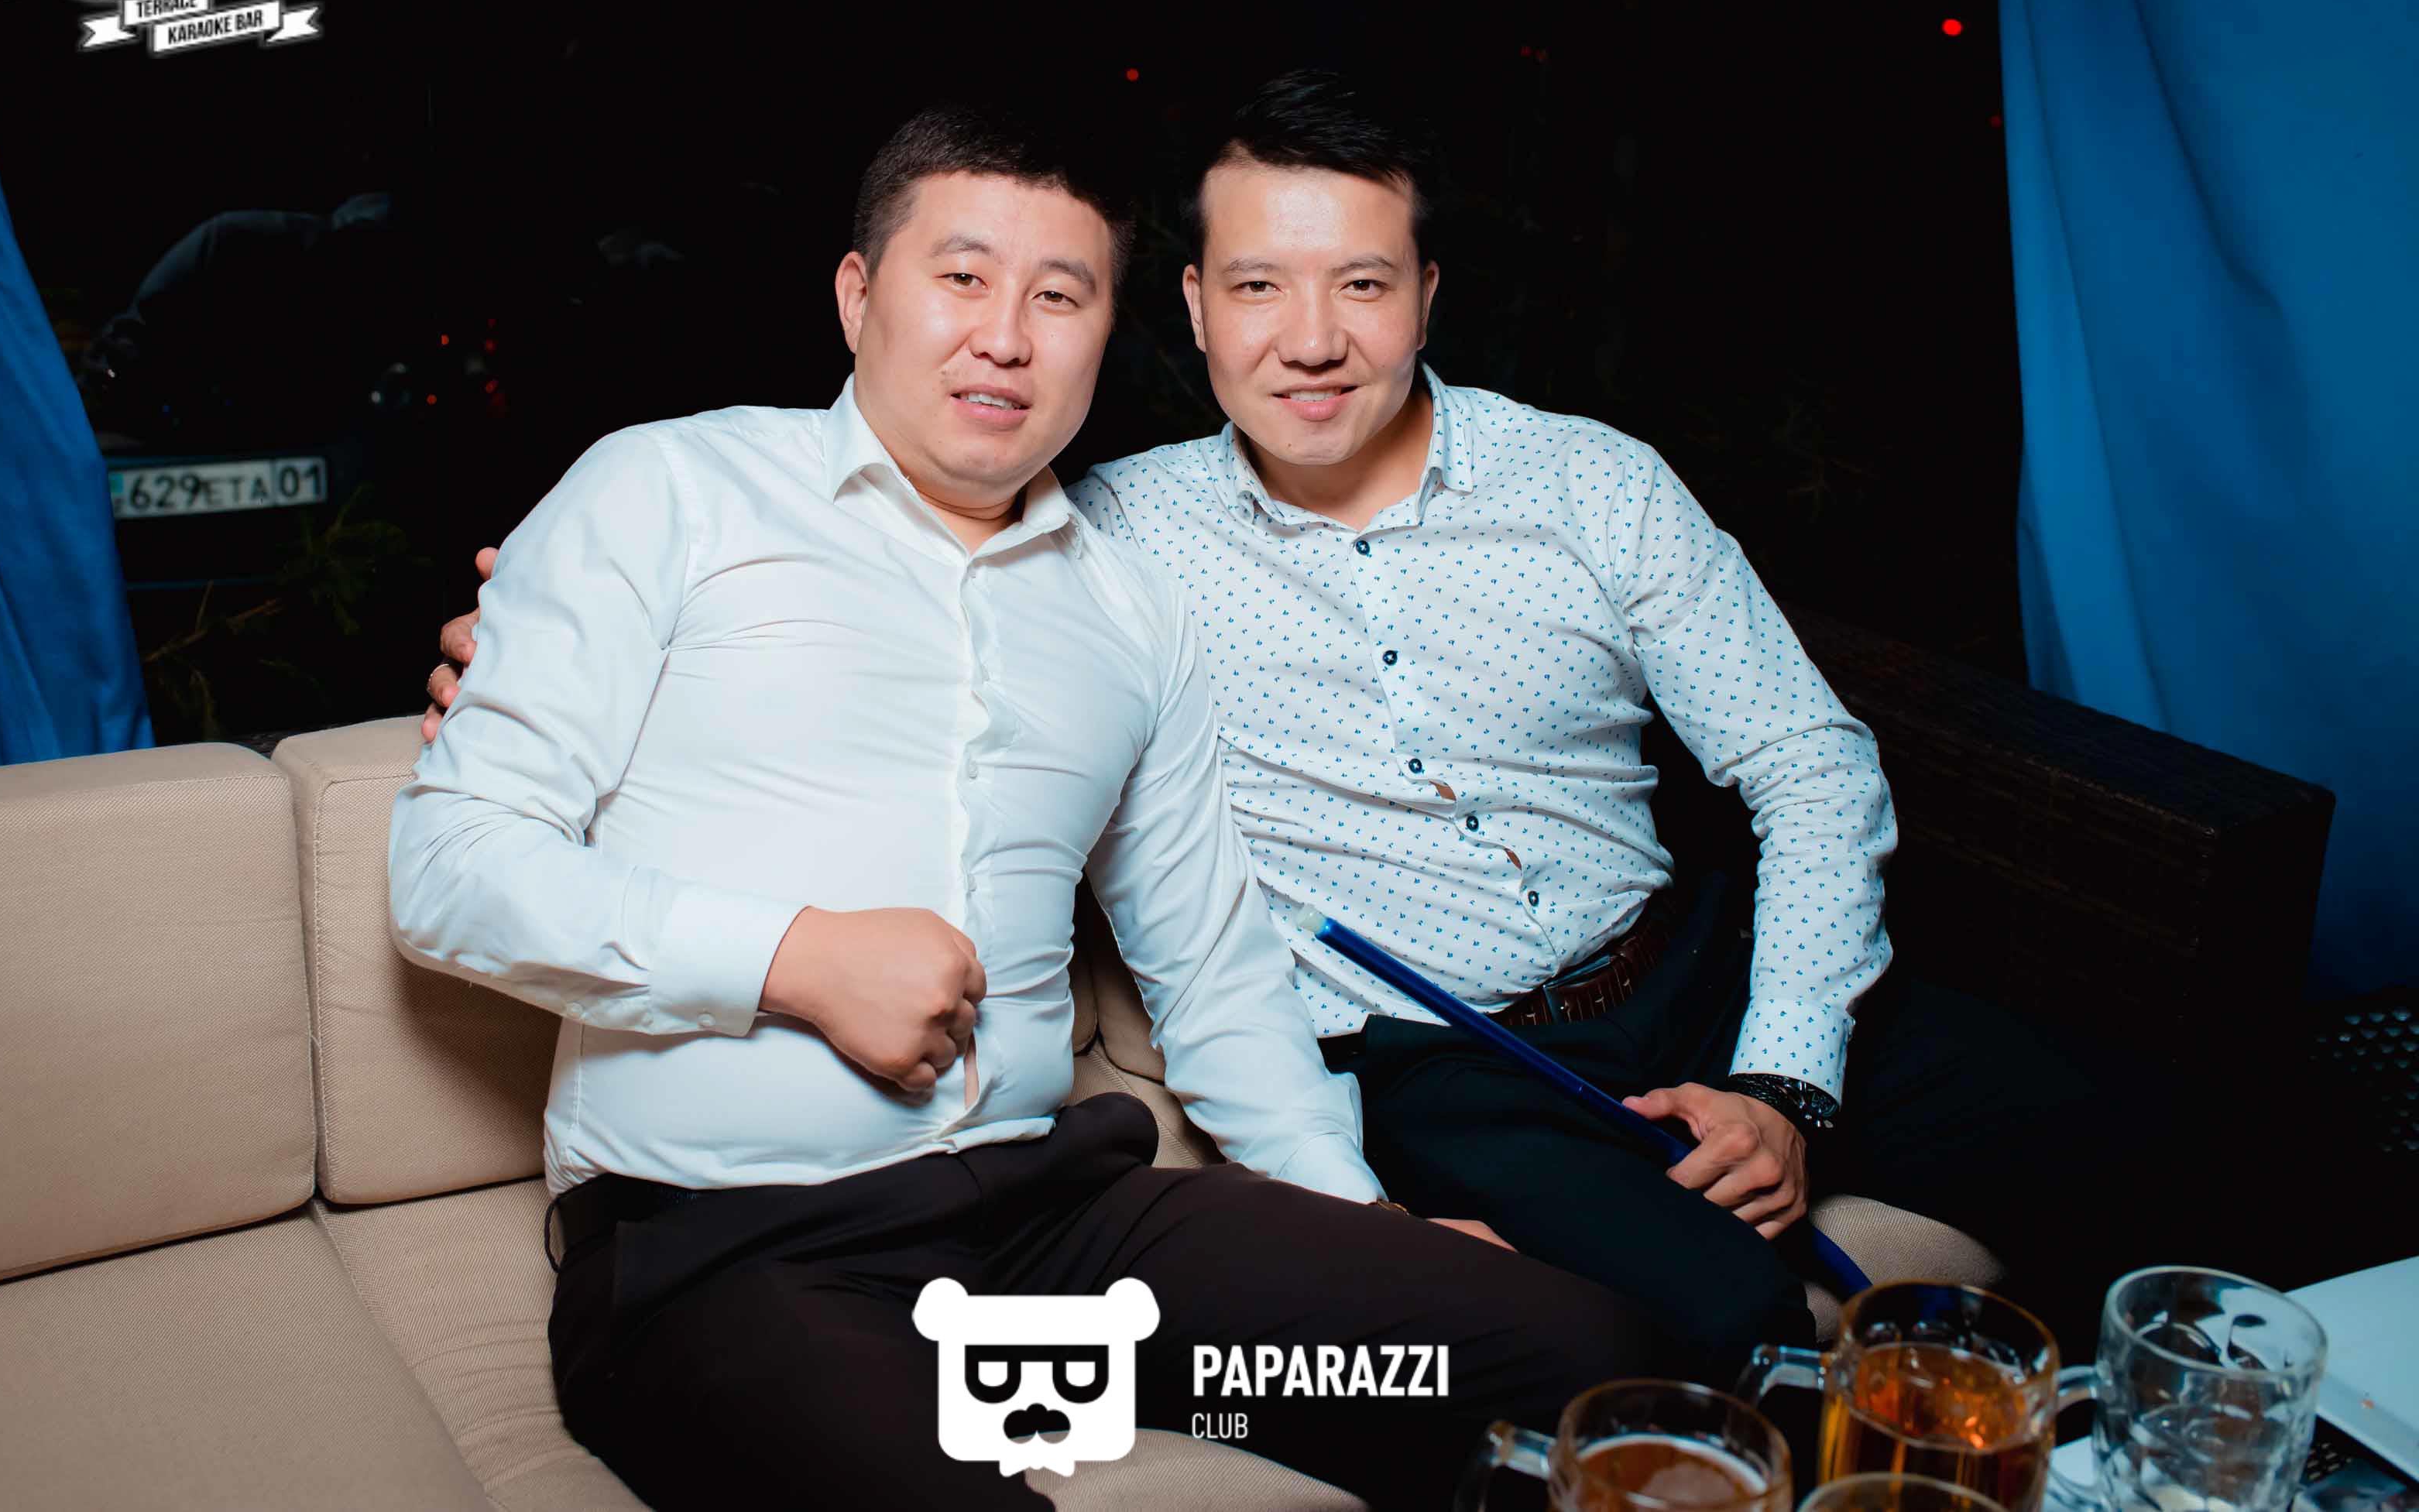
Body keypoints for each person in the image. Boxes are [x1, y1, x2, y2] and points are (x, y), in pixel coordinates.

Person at [427, 74, 2123, 1363]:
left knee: (2129, 1128)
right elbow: (890, 578)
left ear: (1428, 292)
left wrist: (1784, 1078)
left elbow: (1808, 762)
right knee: (1705, 1322)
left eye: (1361, 285)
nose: (1311, 342)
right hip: (1446, 1053)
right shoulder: (1108, 538)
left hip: (1689, 957)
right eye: (1256, 288)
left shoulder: (1592, 484)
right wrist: (525, 632)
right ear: (1187, 311)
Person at [390, 101, 1671, 1512]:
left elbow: (1215, 976)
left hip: (1056, 1248)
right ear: (858, 296)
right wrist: (795, 957)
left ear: (1106, 335)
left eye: (1058, 297)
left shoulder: (1129, 606)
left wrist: (1371, 1234)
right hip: (730, 1253)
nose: (1005, 335)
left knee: (1577, 1362)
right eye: (963, 276)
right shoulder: (670, 491)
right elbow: (452, 864)